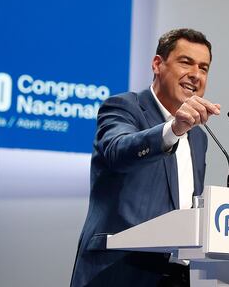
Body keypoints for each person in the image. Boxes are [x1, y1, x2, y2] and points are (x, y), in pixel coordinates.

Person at [70, 28, 220, 287]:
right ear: (157, 64)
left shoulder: (199, 137)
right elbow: (119, 150)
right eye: (186, 62)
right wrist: (172, 129)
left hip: (176, 276)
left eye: (203, 68)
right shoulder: (123, 107)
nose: (195, 74)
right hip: (117, 272)